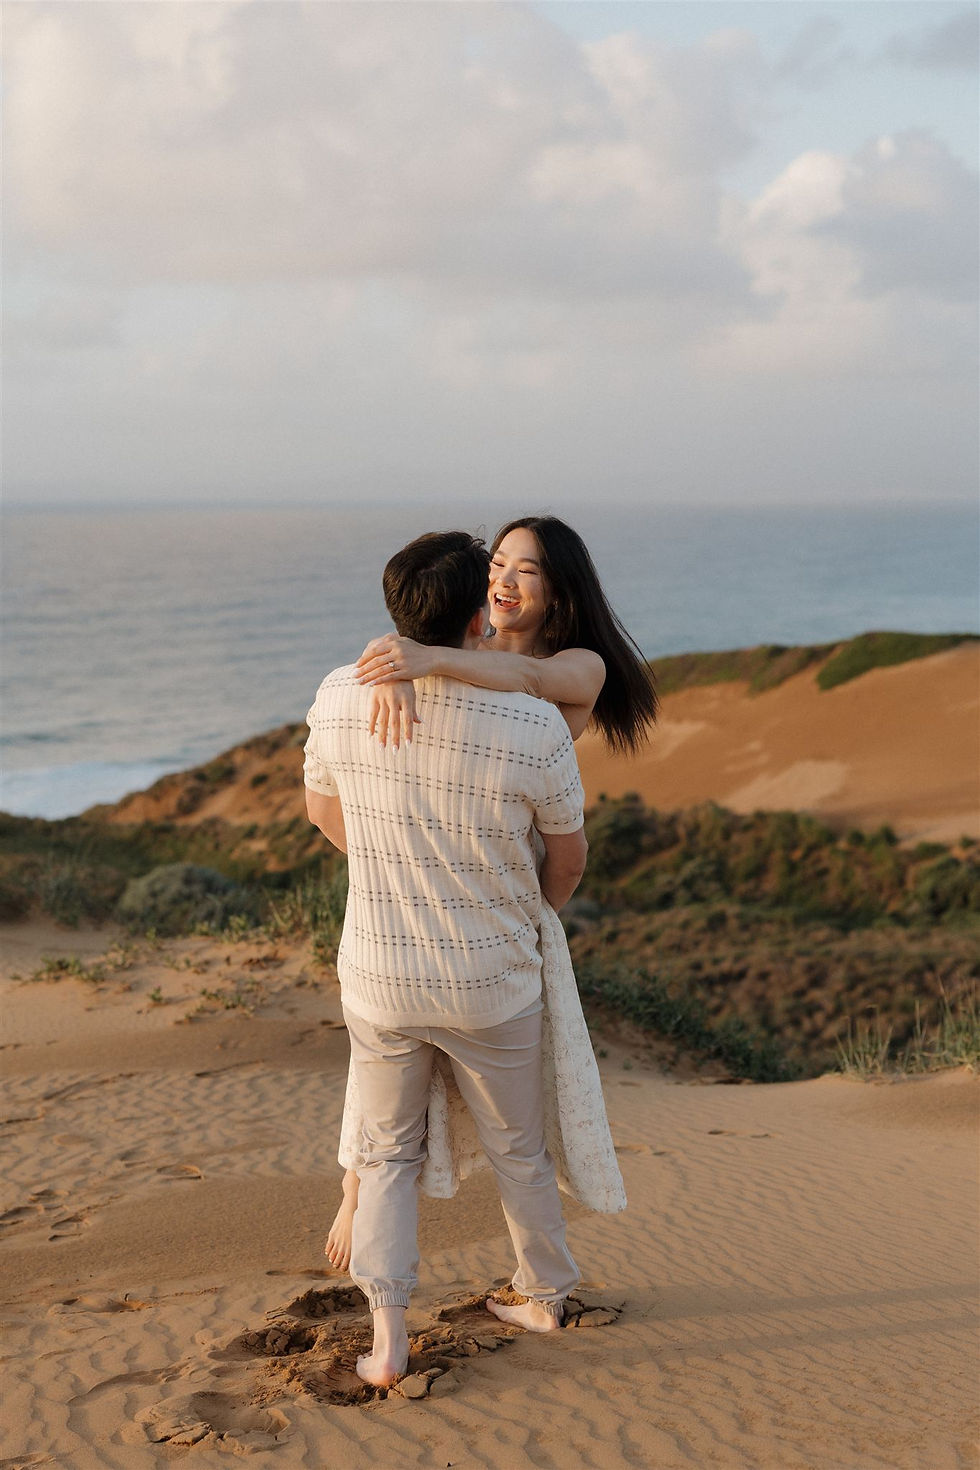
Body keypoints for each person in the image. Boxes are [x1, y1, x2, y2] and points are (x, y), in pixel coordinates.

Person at [325, 516, 657, 1271]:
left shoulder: (579, 666)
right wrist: (401, 663)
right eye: (497, 564)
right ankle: (354, 1194)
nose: (504, 580)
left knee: (504, 1112)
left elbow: (529, 682)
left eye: (527, 570)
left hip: (501, 897)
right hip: (424, 887)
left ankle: (534, 1273)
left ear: (561, 589)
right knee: (384, 1053)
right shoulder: (449, 653)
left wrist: (419, 661)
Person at [304, 530, 591, 1386]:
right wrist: (513, 910)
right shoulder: (533, 722)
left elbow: (322, 812)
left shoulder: (335, 693)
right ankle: (542, 1292)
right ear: (477, 614)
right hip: (493, 977)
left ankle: (387, 1340)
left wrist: (399, 872)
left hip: (381, 976)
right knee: (518, 1148)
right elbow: (567, 859)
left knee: (385, 1154)